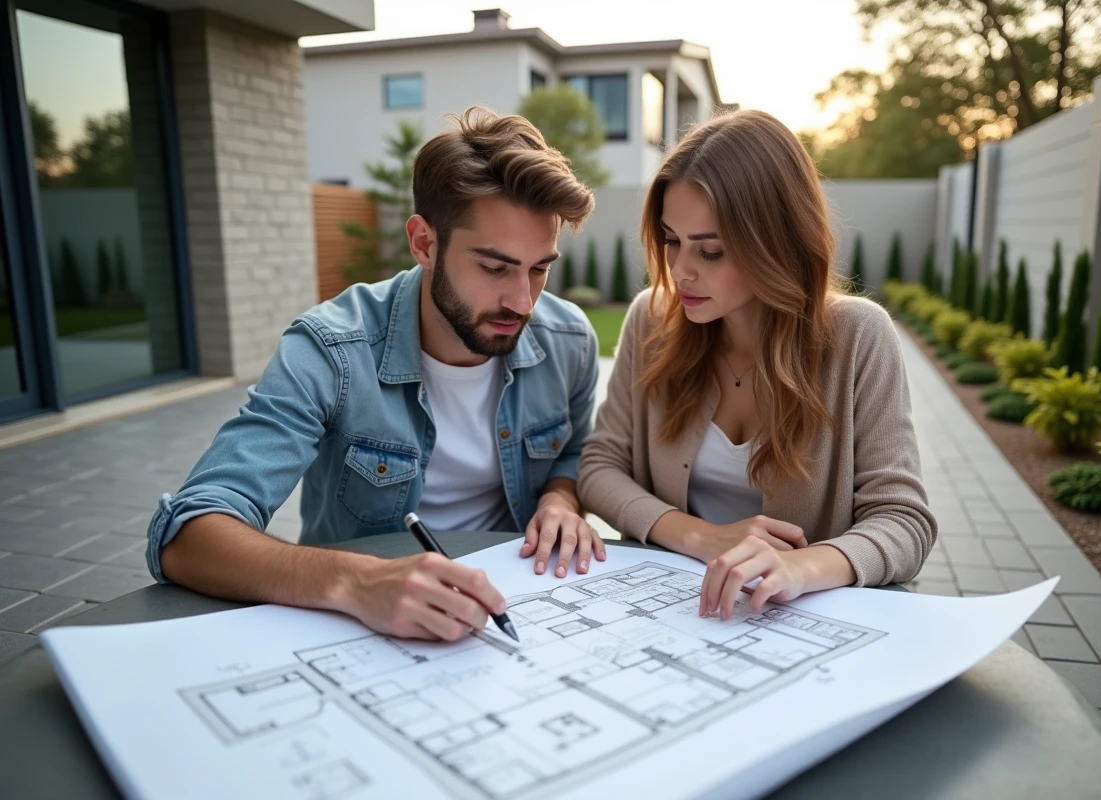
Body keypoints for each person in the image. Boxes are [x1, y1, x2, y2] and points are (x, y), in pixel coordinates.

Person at [147, 107, 607, 642]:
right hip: (359, 630)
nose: (522, 300)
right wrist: (358, 583)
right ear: (424, 243)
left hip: (515, 602)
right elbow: (188, 535)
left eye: (540, 268)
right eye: (494, 267)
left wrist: (560, 499)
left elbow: (574, 452)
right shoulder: (329, 350)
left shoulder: (568, 340)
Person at [577, 109, 936, 621]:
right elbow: (599, 468)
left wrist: (801, 567)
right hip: (669, 612)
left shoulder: (858, 336)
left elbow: (904, 522)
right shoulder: (651, 320)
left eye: (712, 251)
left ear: (777, 243)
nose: (680, 270)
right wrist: (700, 536)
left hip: (800, 622)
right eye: (672, 240)